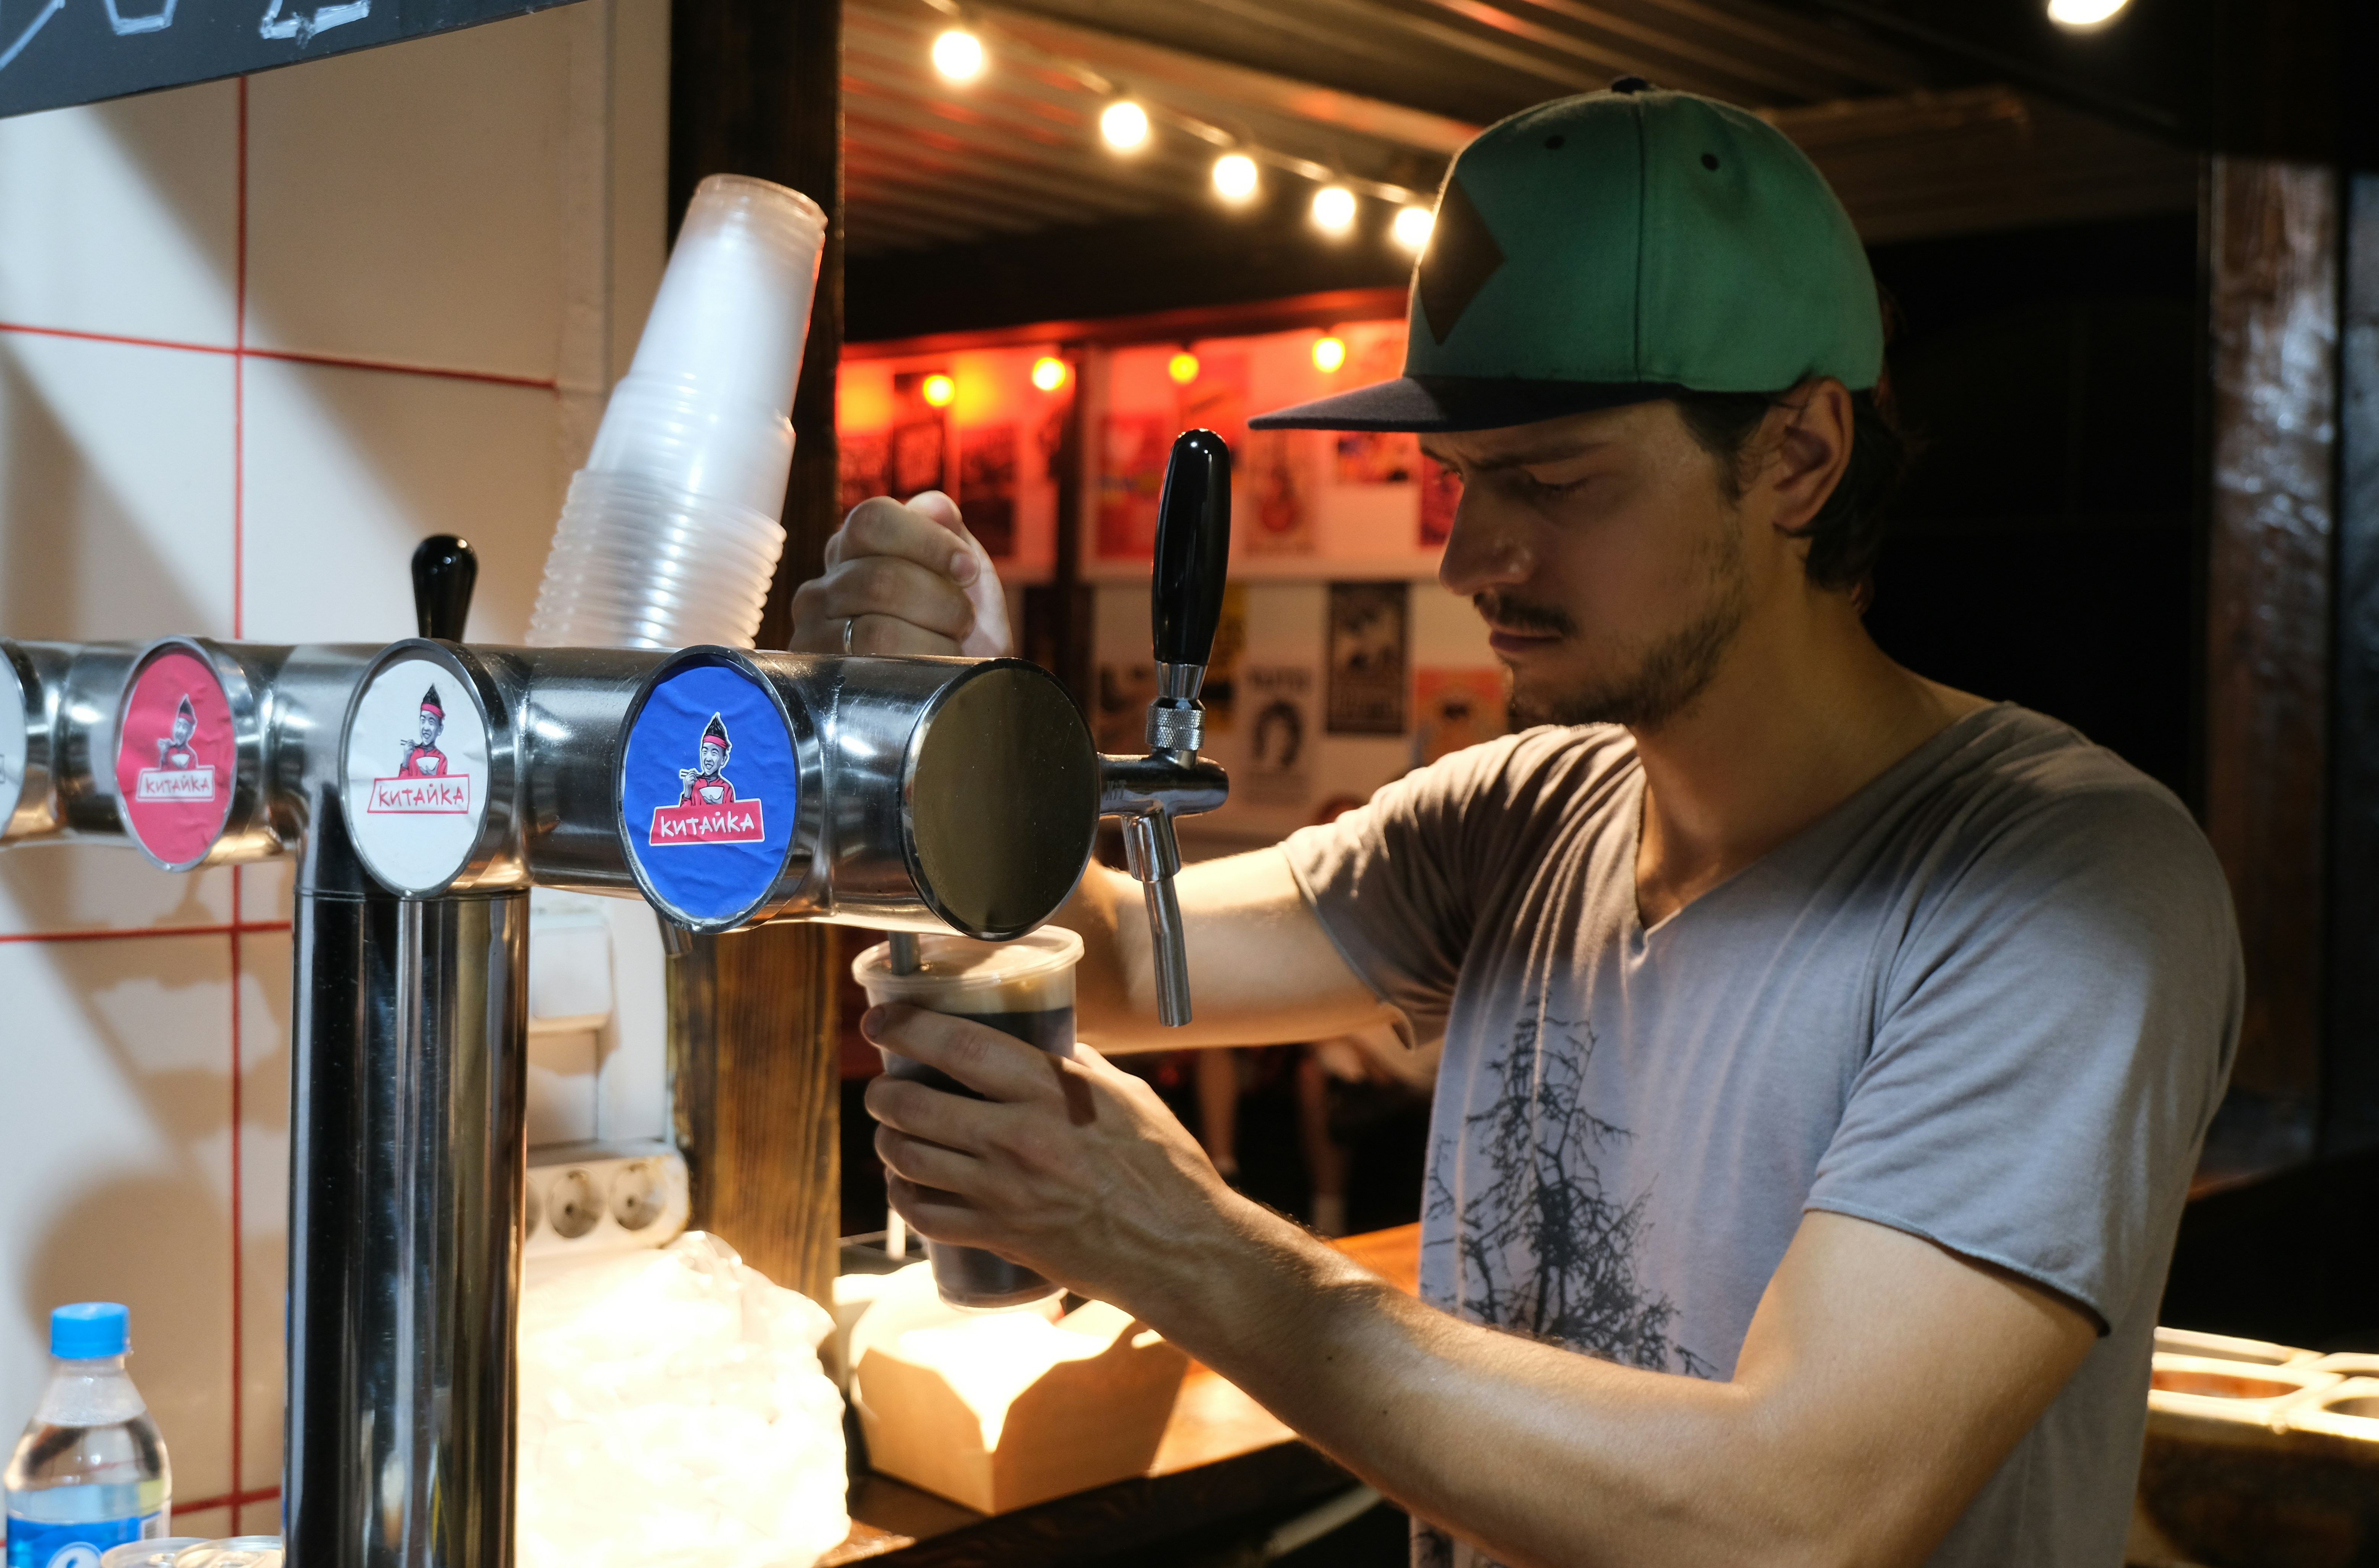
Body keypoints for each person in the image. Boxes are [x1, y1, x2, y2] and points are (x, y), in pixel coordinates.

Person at [790, 82, 2240, 1568]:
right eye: (1462, 481)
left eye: (1551, 480)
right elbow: (1111, 961)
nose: (1470, 555)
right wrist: (957, 730)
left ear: (1799, 455)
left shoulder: (2062, 888)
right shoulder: (1524, 814)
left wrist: (1182, 1244)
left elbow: (1802, 1521)